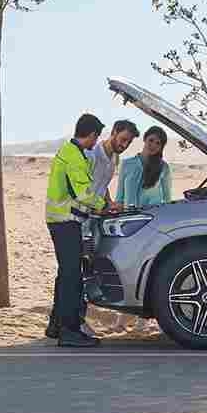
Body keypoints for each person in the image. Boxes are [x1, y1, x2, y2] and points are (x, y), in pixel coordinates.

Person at [44, 113, 111, 347]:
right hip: (65, 222)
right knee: (73, 277)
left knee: (66, 274)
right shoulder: (75, 156)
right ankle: (69, 332)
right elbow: (83, 193)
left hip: (61, 220)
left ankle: (56, 325)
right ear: (92, 134)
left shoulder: (70, 151)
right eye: (96, 137)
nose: (96, 143)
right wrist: (106, 206)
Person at [80, 120, 138, 308]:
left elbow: (102, 185)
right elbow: (82, 187)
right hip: (81, 216)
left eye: (128, 142)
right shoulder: (92, 154)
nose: (124, 145)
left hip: (97, 216)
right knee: (80, 265)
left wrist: (110, 203)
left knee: (93, 263)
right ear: (113, 132)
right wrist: (96, 207)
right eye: (123, 139)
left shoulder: (115, 159)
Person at [117, 126, 173, 208]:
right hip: (129, 216)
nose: (153, 145)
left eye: (158, 143)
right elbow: (119, 197)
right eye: (151, 140)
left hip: (153, 217)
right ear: (144, 139)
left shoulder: (163, 167)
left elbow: (167, 199)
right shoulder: (126, 164)